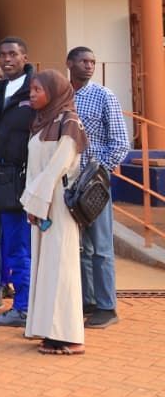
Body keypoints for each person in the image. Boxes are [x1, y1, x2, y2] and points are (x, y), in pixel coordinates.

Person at [22, 70, 89, 355]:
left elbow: (58, 167)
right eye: (31, 90)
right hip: (40, 203)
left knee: (61, 268)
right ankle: (50, 331)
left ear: (55, 91)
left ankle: (70, 336)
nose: (32, 94)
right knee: (45, 267)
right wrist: (32, 203)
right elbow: (34, 169)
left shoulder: (69, 122)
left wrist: (38, 202)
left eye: (38, 89)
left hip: (58, 203)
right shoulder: (39, 123)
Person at [67, 47, 130, 328]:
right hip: (68, 184)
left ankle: (108, 307)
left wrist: (98, 171)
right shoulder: (62, 97)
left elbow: (120, 142)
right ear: (70, 63)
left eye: (93, 61)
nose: (89, 65)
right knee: (81, 247)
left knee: (102, 246)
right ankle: (88, 300)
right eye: (84, 61)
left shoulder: (104, 96)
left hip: (93, 186)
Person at [0, 37, 35, 326]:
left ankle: (24, 306)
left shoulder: (35, 88)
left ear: (24, 57)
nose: (7, 59)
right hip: (1, 179)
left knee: (20, 247)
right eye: (2, 54)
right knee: (10, 246)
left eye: (13, 54)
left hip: (25, 179)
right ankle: (22, 303)